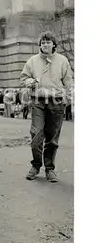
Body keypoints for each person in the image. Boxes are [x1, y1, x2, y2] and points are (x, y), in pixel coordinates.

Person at [20, 31, 74, 183]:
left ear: (54, 44)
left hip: (57, 102)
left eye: (48, 42)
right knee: (36, 134)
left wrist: (67, 99)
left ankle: (50, 169)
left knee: (52, 138)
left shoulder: (63, 61)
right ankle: (36, 165)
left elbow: (69, 82)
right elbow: (23, 77)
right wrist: (29, 81)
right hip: (38, 101)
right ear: (40, 45)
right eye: (43, 42)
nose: (45, 45)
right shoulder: (32, 61)